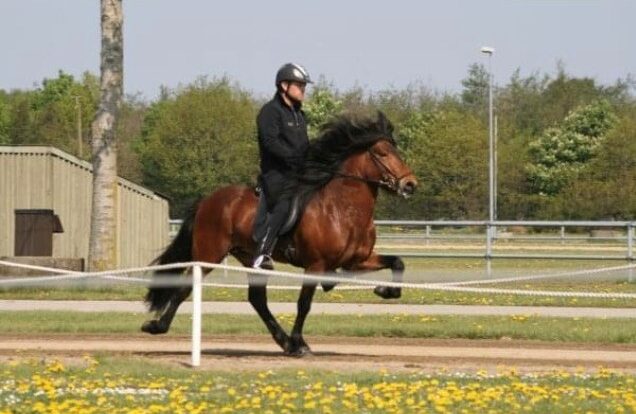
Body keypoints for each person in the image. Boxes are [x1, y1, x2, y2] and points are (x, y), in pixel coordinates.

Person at [252, 63, 313, 270]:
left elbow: (305, 146)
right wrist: (295, 158)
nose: (303, 89)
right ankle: (263, 252)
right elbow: (270, 143)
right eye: (300, 85)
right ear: (284, 86)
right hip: (276, 175)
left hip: (298, 173)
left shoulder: (300, 115)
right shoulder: (270, 112)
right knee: (286, 201)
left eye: (304, 86)